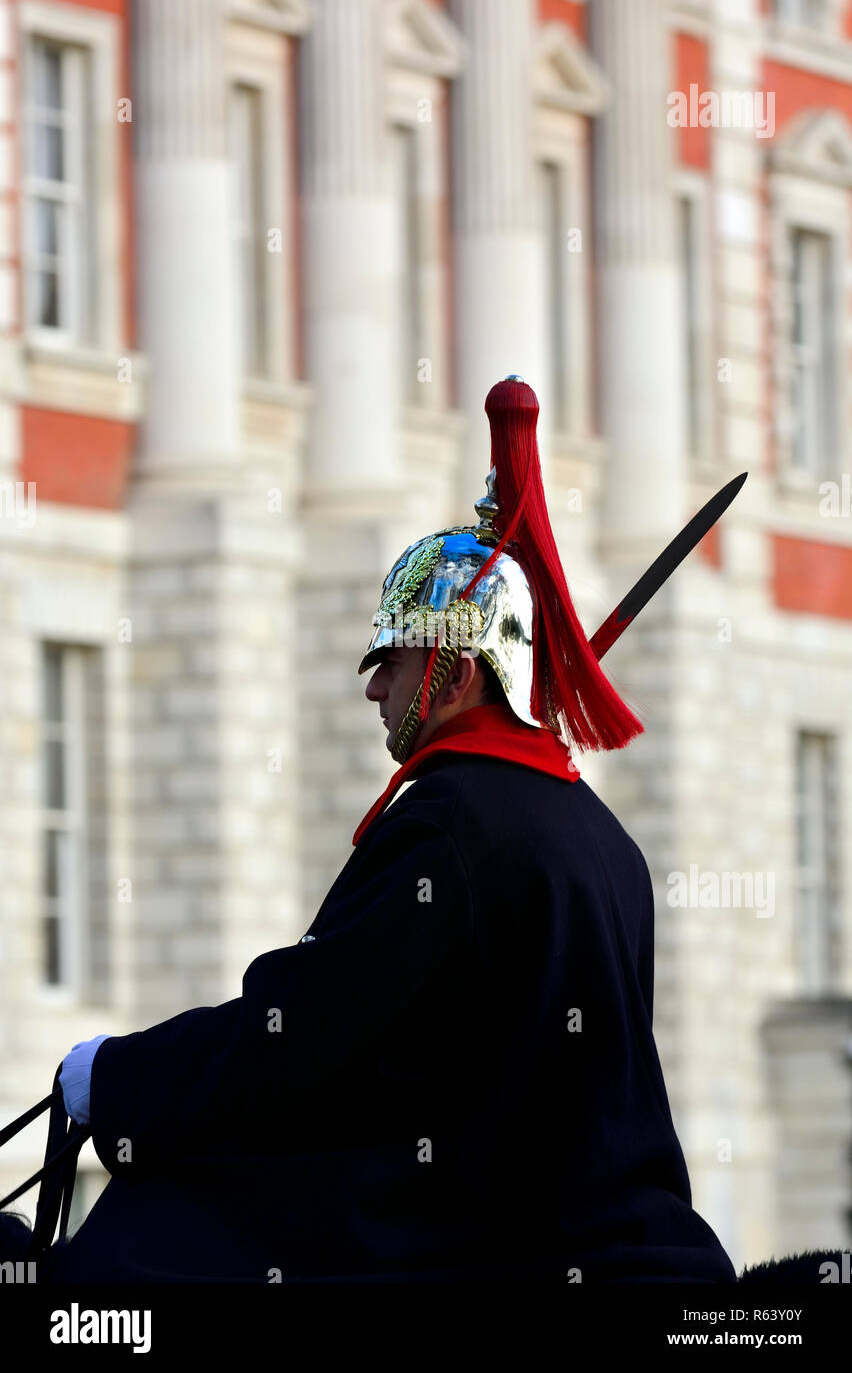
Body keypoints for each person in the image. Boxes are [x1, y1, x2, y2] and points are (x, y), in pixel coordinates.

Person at [46, 377, 736, 1284]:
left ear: (455, 674)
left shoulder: (451, 825)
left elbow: (299, 1039)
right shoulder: (603, 837)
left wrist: (119, 1078)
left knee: (138, 1245)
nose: (374, 686)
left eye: (393, 658)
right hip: (618, 1232)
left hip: (478, 1242)